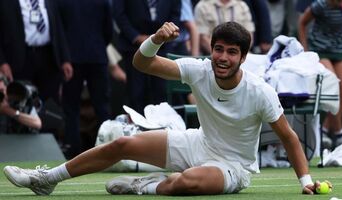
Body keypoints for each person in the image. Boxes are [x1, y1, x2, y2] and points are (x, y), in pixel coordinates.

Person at [3, 22, 322, 196]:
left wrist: (304, 181)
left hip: (233, 168)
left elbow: (289, 138)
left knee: (186, 183)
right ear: (211, 50)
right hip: (197, 143)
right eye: (218, 49)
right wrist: (155, 39)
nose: (223, 57)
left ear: (242, 57)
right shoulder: (199, 70)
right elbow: (142, 63)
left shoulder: (260, 91)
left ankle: (146, 186)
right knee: (122, 144)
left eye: (232, 52)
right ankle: (46, 180)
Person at [57, 0, 113, 158]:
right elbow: (108, 31)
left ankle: (72, 151)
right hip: (97, 56)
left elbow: (59, 30)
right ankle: (108, 149)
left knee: (71, 108)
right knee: (102, 106)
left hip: (71, 58)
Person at [298, 0, 342, 148]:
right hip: (320, 50)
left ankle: (323, 128)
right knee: (333, 86)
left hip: (341, 50)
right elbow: (302, 22)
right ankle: (339, 133)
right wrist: (305, 49)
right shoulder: (321, 5)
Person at [112, 0, 181, 114]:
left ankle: (161, 128)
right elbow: (119, 14)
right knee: (136, 92)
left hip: (163, 47)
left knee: (161, 93)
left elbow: (175, 13)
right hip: (133, 47)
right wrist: (136, 37)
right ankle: (137, 128)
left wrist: (163, 37)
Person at [0, 0, 73, 104]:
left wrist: (65, 59)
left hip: (48, 56)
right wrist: (2, 62)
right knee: (21, 102)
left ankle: (46, 120)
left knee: (50, 103)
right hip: (21, 59)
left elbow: (58, 28)